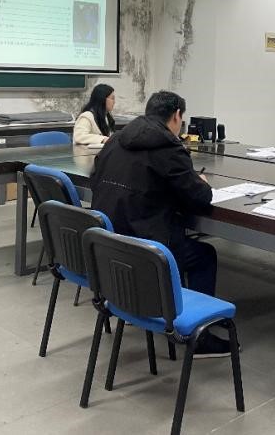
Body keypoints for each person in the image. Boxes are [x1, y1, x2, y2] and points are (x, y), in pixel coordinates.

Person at [89, 90, 230, 357]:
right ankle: (197, 335)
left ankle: (147, 303)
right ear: (176, 116)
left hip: (109, 244)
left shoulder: (116, 140)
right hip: (148, 251)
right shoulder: (169, 148)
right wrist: (200, 183)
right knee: (204, 255)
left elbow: (95, 179)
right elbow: (200, 198)